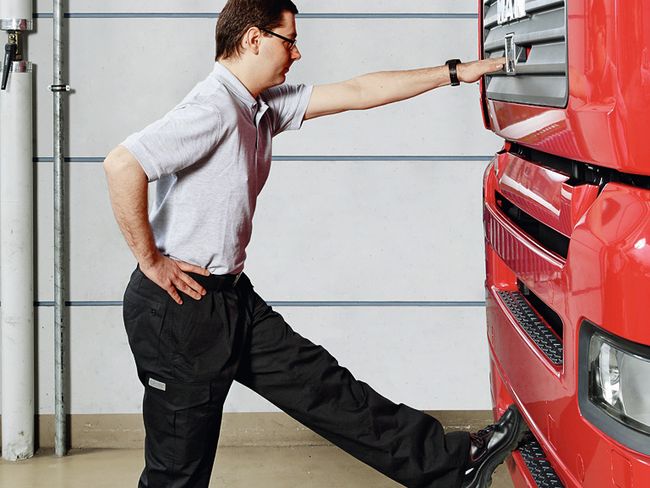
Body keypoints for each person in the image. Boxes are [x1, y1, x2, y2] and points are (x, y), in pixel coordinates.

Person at [103, 1, 525, 487]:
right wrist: (150, 261)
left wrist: (455, 73)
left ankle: (454, 464)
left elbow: (359, 90)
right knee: (177, 471)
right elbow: (122, 164)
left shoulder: (258, 106)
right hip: (178, 309)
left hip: (228, 297)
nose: (297, 53)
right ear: (253, 39)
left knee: (328, 389)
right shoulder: (213, 108)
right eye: (289, 40)